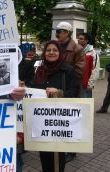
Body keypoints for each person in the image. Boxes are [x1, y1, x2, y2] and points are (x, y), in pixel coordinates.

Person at [32, 40, 80, 172]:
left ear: (60, 53)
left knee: (58, 157)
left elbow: (75, 92)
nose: (51, 52)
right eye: (48, 50)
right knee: (44, 155)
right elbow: (34, 89)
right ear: (44, 53)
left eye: (55, 50)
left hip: (60, 121)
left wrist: (59, 92)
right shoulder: (39, 70)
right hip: (43, 122)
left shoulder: (68, 70)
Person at [55, 21, 85, 162]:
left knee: (70, 121)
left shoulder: (78, 49)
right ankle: (58, 145)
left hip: (70, 90)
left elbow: (79, 71)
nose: (57, 33)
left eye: (60, 31)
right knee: (57, 119)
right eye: (57, 30)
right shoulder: (55, 46)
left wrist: (61, 69)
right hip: (56, 89)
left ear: (67, 32)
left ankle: (72, 151)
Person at [78, 32, 100, 98]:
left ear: (86, 41)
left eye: (81, 39)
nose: (79, 40)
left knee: (86, 104)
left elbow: (95, 69)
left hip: (86, 84)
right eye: (78, 38)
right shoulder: (77, 51)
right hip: (76, 83)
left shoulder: (92, 53)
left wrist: (90, 84)